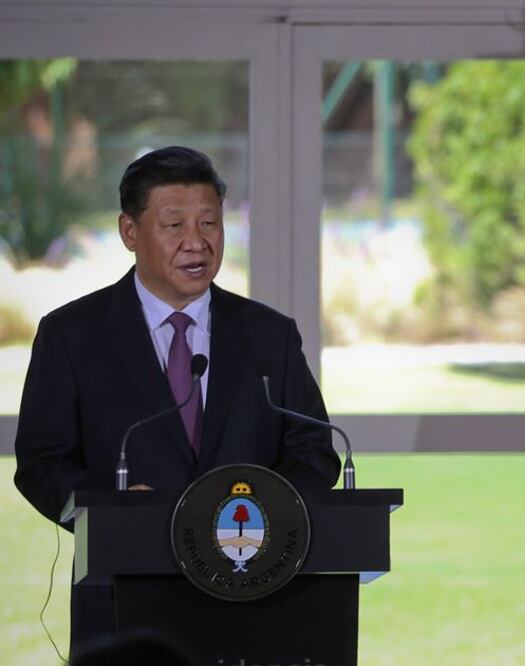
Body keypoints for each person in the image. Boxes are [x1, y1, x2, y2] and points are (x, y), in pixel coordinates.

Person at [13, 146, 341, 648]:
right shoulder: (72, 336)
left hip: (255, 587)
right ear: (130, 232)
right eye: (174, 226)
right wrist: (109, 506)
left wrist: (264, 512)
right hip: (125, 596)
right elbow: (41, 461)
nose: (197, 242)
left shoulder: (268, 336)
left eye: (210, 224)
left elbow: (313, 451)